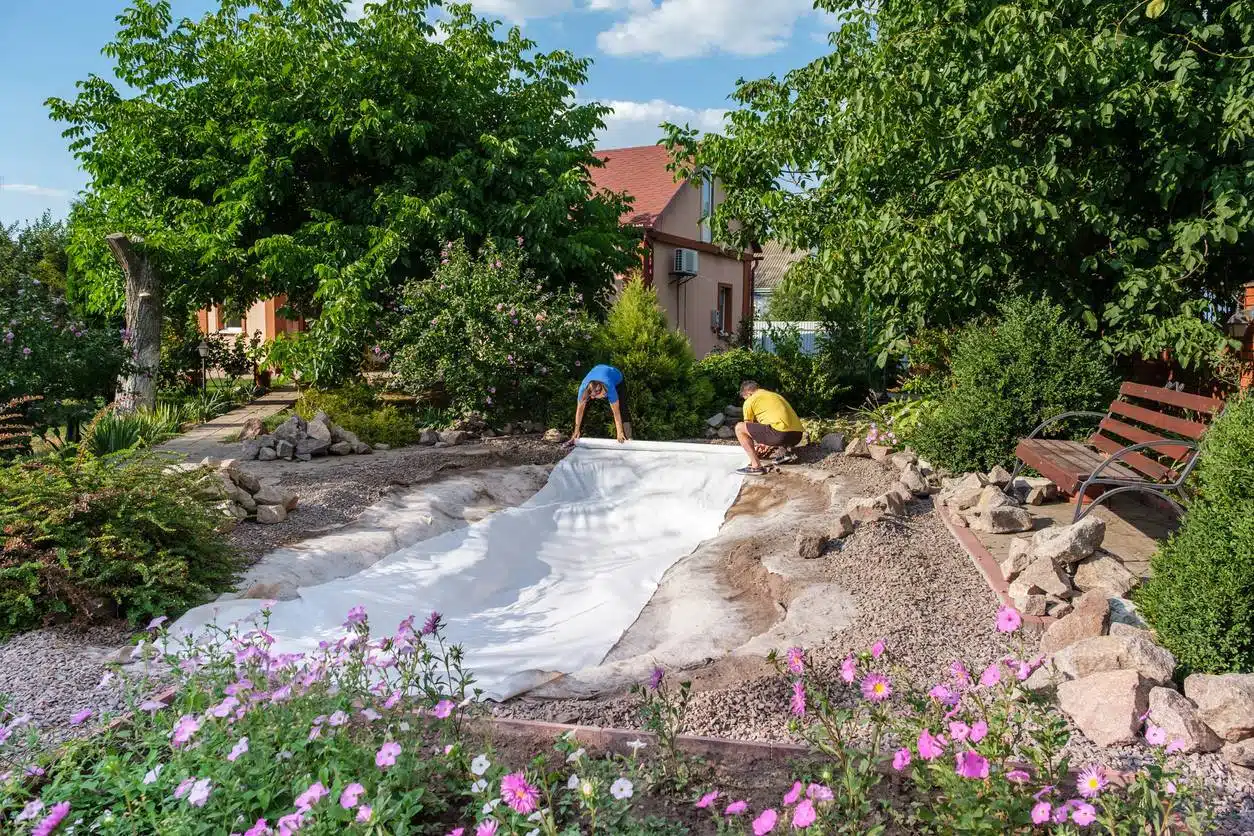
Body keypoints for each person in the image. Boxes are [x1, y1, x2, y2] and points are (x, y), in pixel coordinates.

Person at [734, 380, 803, 474]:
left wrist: (756, 446)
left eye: (744, 398)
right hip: (797, 436)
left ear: (748, 393)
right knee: (778, 426)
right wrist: (765, 443)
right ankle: (786, 454)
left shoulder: (750, 400)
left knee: (739, 428)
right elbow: (774, 423)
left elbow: (747, 427)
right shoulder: (775, 395)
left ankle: (756, 467)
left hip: (780, 434)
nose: (745, 400)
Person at [569, 363, 631, 444]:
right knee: (585, 408)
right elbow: (579, 411)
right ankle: (578, 434)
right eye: (591, 396)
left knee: (623, 408)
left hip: (617, 378)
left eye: (595, 396)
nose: (593, 398)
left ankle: (628, 436)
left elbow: (616, 412)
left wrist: (620, 432)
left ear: (602, 390)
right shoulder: (583, 389)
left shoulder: (610, 387)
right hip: (598, 370)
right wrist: (576, 430)